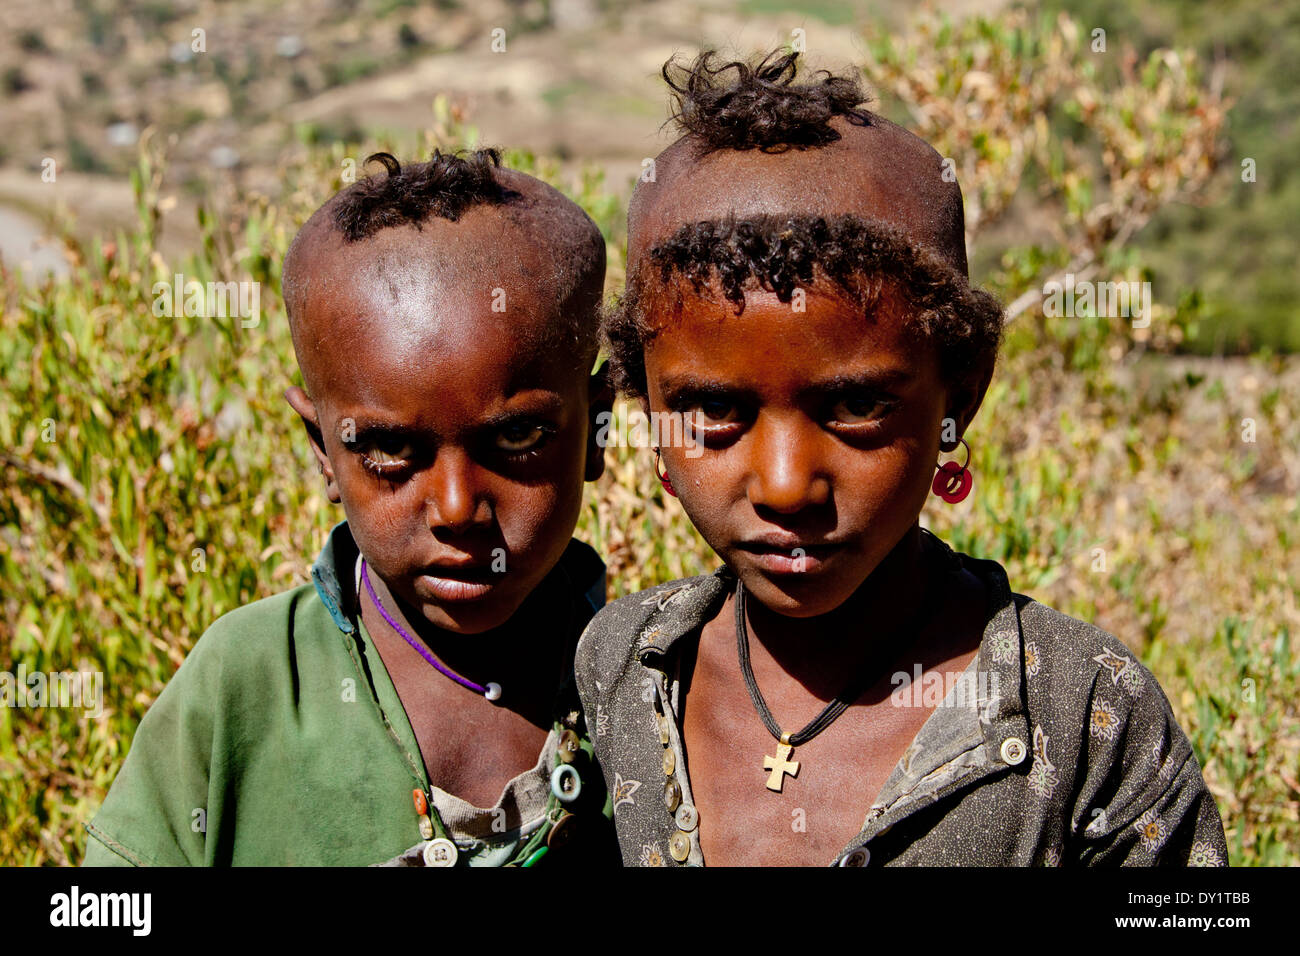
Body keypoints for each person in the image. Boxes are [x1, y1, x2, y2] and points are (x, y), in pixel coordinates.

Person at [575, 50, 1228, 867]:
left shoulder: (1082, 712)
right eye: (712, 410)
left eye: (855, 406)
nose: (786, 486)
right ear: (647, 404)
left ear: (959, 394)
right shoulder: (625, 666)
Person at [85, 149, 616, 866]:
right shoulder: (245, 687)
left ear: (598, 426)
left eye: (517, 436)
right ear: (321, 450)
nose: (457, 510)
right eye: (390, 451)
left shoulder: (653, 691)